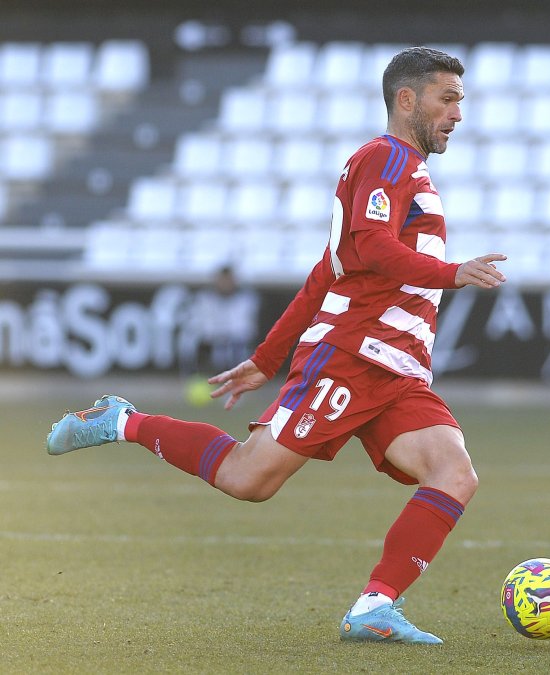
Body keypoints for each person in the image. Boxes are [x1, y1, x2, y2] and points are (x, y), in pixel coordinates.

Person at [46, 46, 507, 645]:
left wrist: (266, 359)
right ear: (407, 99)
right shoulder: (386, 160)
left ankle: (374, 606)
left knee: (453, 473)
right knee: (248, 479)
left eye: (460, 102)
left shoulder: (405, 172)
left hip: (396, 369)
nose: (457, 114)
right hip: (354, 354)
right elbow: (366, 249)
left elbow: (330, 268)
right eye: (448, 99)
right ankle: (122, 422)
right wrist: (450, 273)